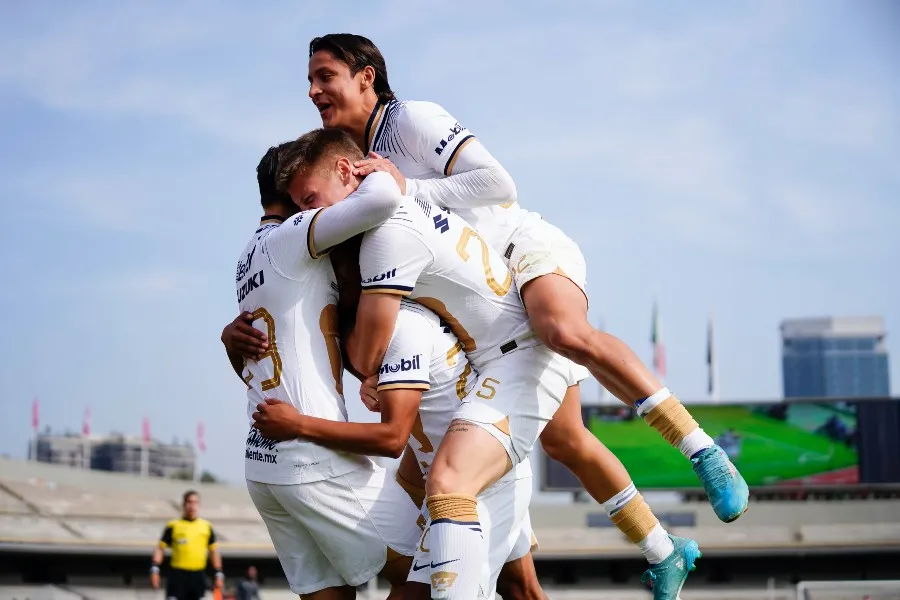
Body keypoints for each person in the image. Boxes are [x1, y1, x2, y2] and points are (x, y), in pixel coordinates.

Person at [222, 33, 748, 529]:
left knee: (562, 331)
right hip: (477, 298)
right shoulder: (346, 157)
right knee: (563, 440)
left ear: (366, 76)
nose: (313, 90)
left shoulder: (410, 118)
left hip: (518, 251)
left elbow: (499, 183)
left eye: (324, 75)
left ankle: (701, 448)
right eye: (310, 80)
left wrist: (408, 188)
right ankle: (661, 547)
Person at [273, 129, 700, 600]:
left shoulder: (390, 255)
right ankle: (661, 546)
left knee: (478, 478)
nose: (309, 221)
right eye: (299, 210)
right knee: (520, 583)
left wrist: (303, 420)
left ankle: (698, 467)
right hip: (489, 407)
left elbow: (386, 421)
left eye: (310, 202)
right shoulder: (398, 264)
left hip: (503, 400)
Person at [252, 235, 546, 600]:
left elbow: (392, 439)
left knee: (433, 592)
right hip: (452, 474)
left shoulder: (405, 326)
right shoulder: (370, 327)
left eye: (337, 271)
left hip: (480, 480)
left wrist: (298, 425)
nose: (329, 280)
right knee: (522, 590)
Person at [230, 143, 421, 600]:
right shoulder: (294, 234)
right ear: (293, 189)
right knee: (433, 567)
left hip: (263, 466)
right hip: (313, 457)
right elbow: (381, 200)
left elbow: (262, 355)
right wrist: (371, 169)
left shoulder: (245, 258)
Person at [150, 490, 223, 600]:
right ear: (183, 504)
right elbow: (160, 549)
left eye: (195, 502)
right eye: (189, 502)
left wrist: (218, 574)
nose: (192, 506)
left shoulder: (206, 527)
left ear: (199, 505)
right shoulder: (173, 526)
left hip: (198, 576)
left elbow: (214, 552)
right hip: (177, 576)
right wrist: (155, 569)